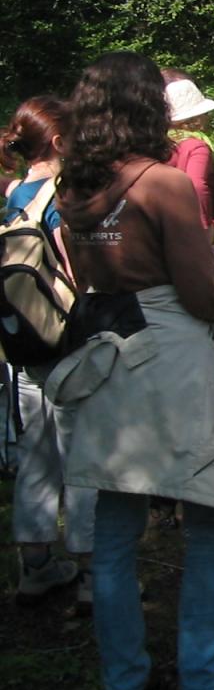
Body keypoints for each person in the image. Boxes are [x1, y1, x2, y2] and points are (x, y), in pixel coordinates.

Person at [49, 52, 214, 690]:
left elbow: (85, 276)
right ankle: (205, 673)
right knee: (211, 511)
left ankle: (123, 679)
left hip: (108, 352)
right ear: (142, 106)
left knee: (117, 525)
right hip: (172, 355)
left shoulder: (73, 190)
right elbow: (205, 299)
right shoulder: (161, 184)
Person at [1, 97, 95, 612]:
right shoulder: (65, 194)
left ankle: (35, 565)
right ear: (60, 142)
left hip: (24, 340)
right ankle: (89, 572)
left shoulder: (16, 191)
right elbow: (79, 272)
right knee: (83, 455)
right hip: (69, 338)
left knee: (36, 451)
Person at [161, 68, 214, 249]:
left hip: (165, 229)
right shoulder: (195, 146)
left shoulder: (157, 142)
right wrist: (206, 232)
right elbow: (197, 187)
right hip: (196, 233)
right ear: (195, 116)